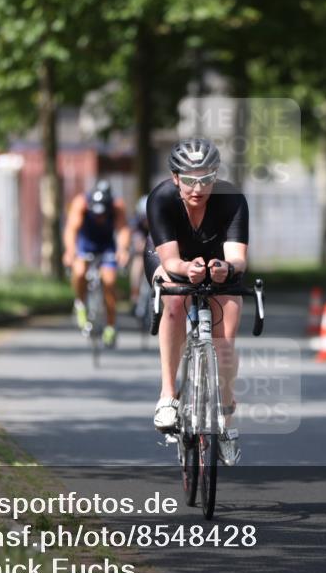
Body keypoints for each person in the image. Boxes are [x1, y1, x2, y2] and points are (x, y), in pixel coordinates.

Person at [144, 138, 249, 466]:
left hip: (217, 261)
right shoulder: (161, 198)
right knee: (174, 301)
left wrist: (225, 269)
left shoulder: (231, 199)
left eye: (206, 178)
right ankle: (167, 396)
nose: (198, 187)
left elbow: (238, 259)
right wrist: (185, 269)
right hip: (172, 257)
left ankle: (227, 416)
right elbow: (171, 261)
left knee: (227, 327)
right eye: (189, 179)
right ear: (175, 178)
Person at [63, 180, 131, 347]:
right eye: (96, 213)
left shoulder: (117, 206)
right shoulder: (81, 203)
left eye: (103, 214)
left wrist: (123, 250)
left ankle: (110, 326)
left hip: (106, 246)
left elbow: (123, 229)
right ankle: (80, 304)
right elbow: (71, 229)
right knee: (79, 272)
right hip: (85, 244)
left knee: (110, 282)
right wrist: (70, 251)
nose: (100, 217)